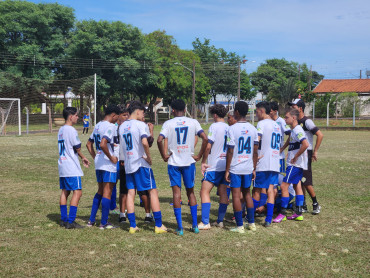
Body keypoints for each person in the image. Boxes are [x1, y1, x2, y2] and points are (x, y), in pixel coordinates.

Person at [157, 99, 208, 236]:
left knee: (176, 193)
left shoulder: (168, 123)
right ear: (185, 109)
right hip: (189, 162)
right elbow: (205, 138)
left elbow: (159, 140)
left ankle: (180, 228)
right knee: (190, 192)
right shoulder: (193, 122)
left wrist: (163, 155)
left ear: (173, 110)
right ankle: (194, 226)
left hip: (174, 162)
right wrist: (199, 155)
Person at [119, 102, 167, 234]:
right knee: (152, 192)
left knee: (130, 193)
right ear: (138, 111)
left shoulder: (122, 126)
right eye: (143, 112)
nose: (144, 114)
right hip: (141, 163)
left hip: (129, 164)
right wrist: (149, 157)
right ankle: (158, 225)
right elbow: (145, 142)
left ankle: (132, 225)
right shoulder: (141, 125)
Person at [225, 101, 258, 233]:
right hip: (248, 167)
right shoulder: (253, 129)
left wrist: (227, 170)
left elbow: (230, 151)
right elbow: (255, 152)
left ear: (237, 112)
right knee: (247, 194)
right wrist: (254, 168)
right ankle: (251, 223)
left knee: (236, 195)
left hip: (236, 167)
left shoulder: (232, 129)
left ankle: (239, 226)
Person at [86, 104, 120, 229]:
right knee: (107, 192)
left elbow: (89, 144)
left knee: (100, 190)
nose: (117, 120)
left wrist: (95, 157)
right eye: (117, 117)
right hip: (107, 163)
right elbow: (103, 143)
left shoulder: (98, 125)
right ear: (113, 115)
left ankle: (91, 220)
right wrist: (112, 158)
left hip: (99, 162)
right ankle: (104, 222)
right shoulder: (111, 126)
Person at [273, 109, 309, 223]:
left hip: (295, 164)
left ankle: (282, 213)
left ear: (294, 118)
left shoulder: (297, 129)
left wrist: (296, 156)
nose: (285, 119)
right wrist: (283, 148)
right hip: (296, 164)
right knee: (296, 185)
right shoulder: (294, 130)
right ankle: (298, 213)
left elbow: (305, 144)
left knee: (284, 186)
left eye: (287, 117)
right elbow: (291, 138)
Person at [288, 99, 324, 214]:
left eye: (294, 106)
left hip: (305, 152)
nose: (292, 109)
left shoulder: (306, 121)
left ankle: (315, 204)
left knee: (306, 180)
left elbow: (320, 135)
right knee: (299, 180)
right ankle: (302, 204)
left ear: (300, 108)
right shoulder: (295, 121)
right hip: (298, 153)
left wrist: (315, 151)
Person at [58, 107, 90, 229]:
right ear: (71, 116)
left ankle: (63, 219)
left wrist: (81, 157)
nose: (78, 117)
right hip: (71, 166)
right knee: (78, 192)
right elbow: (77, 146)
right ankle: (71, 221)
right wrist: (83, 157)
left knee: (65, 191)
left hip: (62, 164)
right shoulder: (71, 130)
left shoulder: (60, 130)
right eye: (76, 115)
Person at [198, 104, 229, 230]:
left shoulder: (214, 126)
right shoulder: (228, 127)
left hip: (214, 165)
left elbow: (209, 145)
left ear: (215, 115)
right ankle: (220, 221)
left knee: (204, 191)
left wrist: (203, 161)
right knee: (223, 193)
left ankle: (205, 222)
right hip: (225, 164)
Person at [252, 101, 281, 227]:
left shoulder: (261, 124)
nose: (256, 114)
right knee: (270, 190)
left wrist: (254, 156)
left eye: (256, 111)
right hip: (275, 161)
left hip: (263, 162)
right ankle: (268, 219)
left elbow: (256, 141)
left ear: (262, 111)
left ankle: (250, 216)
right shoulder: (277, 125)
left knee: (256, 190)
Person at [116, 105, 129, 223]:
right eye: (124, 115)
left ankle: (129, 211)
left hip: (130, 161)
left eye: (127, 115)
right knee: (123, 189)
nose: (126, 117)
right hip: (121, 161)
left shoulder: (128, 127)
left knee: (131, 189)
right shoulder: (118, 128)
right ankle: (121, 213)